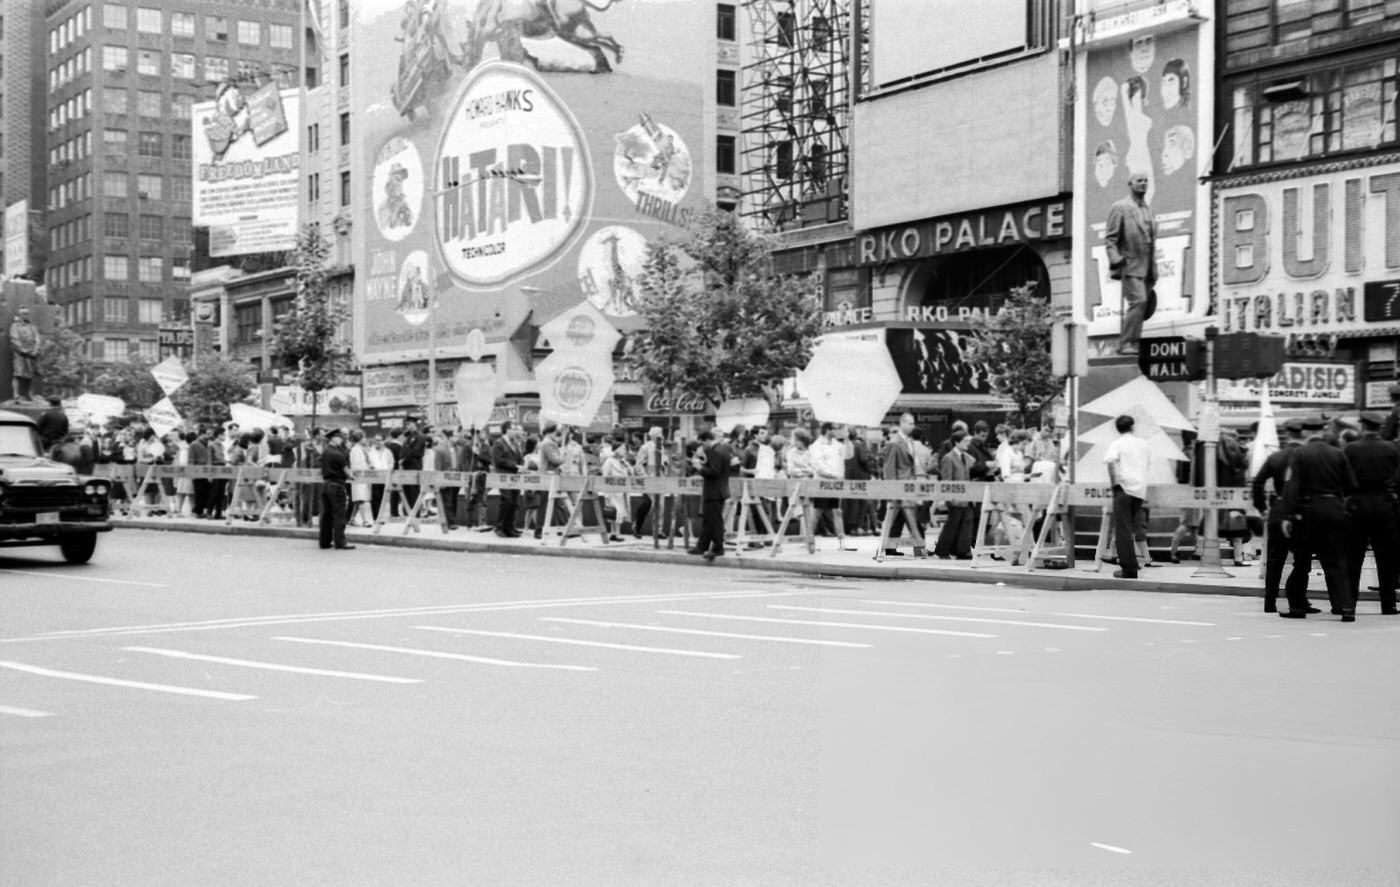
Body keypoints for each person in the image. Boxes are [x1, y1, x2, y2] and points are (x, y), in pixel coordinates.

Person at [1281, 432, 1358, 621]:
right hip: (1334, 509)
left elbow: (1292, 486)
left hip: (1307, 511)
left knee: (1301, 562)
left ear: (1306, 432)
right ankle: (1346, 607)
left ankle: (1297, 607)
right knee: (1338, 561)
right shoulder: (1338, 453)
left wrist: (1288, 514)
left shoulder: (1299, 453)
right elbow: (1351, 484)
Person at [1342, 422, 1400, 616]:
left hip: (1357, 504)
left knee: (1353, 557)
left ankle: (1349, 604)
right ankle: (1389, 604)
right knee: (1386, 557)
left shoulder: (1351, 448)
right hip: (1384, 504)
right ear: (1379, 428)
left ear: (1363, 427)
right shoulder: (1391, 448)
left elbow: (1344, 477)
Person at [1251, 423, 1305, 613]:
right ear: (1303, 433)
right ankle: (1298, 601)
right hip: (1301, 510)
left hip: (1279, 509)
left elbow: (1257, 482)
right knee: (1302, 560)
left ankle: (1270, 602)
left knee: (1275, 561)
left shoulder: (1276, 457)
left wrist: (1262, 507)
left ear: (1287, 436)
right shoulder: (1307, 456)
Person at [1104, 172, 1157, 356]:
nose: (1143, 184)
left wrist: (1153, 267)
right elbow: (1110, 238)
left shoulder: (1148, 210)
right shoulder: (1120, 207)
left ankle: (1134, 343)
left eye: (1145, 181)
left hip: (1147, 266)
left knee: (1143, 306)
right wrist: (1115, 259)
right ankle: (1127, 343)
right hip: (1130, 264)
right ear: (1130, 184)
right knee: (1139, 301)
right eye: (1139, 181)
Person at [1104, 414, 1151, 579]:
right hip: (1140, 491)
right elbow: (1147, 464)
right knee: (1133, 528)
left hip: (1123, 489)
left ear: (1118, 429)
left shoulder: (1117, 444)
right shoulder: (1143, 444)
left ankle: (1129, 569)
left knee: (1122, 530)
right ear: (1132, 427)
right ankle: (1133, 564)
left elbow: (1110, 462)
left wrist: (1114, 484)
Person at [880, 412, 922, 558]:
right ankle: (918, 549)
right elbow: (889, 468)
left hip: (909, 486)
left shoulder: (909, 442)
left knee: (901, 519)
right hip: (900, 487)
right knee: (910, 519)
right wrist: (892, 489)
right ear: (902, 424)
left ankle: (890, 547)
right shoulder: (894, 443)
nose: (913, 426)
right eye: (910, 423)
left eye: (913, 423)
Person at [691, 427, 734, 561]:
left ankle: (717, 548)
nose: (702, 447)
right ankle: (702, 546)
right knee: (709, 520)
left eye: (703, 443)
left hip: (714, 491)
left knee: (715, 521)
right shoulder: (722, 449)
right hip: (718, 490)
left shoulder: (715, 452)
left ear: (708, 440)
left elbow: (714, 472)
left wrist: (700, 468)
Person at [934, 430, 976, 559]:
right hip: (955, 497)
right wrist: (947, 498)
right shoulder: (949, 458)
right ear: (957, 442)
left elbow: (973, 462)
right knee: (953, 524)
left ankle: (961, 550)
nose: (968, 444)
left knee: (965, 523)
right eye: (965, 441)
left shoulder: (964, 456)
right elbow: (946, 480)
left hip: (966, 496)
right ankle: (942, 549)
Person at [318, 427, 354, 550]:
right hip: (338, 486)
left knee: (326, 515)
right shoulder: (338, 454)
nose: (341, 440)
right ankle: (340, 542)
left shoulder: (325, 452)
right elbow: (347, 473)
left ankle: (324, 542)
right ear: (333, 438)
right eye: (339, 437)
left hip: (326, 485)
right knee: (339, 515)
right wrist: (352, 476)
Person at [491, 420, 524, 537]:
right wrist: (515, 465)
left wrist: (522, 466)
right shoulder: (498, 443)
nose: (515, 431)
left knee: (514, 502)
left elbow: (519, 458)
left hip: (515, 477)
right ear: (507, 430)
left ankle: (510, 527)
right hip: (503, 477)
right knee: (507, 501)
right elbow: (499, 460)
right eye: (513, 429)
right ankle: (499, 527)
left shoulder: (515, 443)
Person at [8, 306, 40, 401]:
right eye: (24, 313)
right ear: (19, 315)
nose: (26, 315)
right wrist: (22, 350)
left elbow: (37, 339)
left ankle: (29, 393)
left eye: (27, 313)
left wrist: (35, 350)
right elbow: (14, 338)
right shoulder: (15, 326)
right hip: (20, 354)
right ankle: (16, 394)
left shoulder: (32, 327)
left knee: (31, 375)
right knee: (18, 374)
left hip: (32, 354)